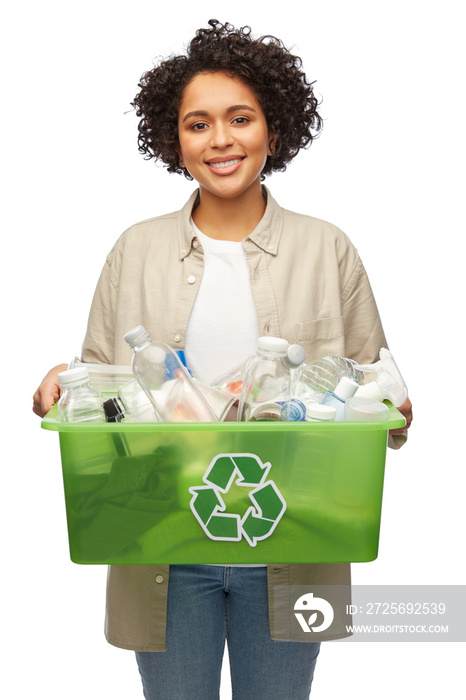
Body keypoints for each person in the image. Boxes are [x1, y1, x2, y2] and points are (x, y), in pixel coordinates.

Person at [33, 19, 412, 700]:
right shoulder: (135, 250)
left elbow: (375, 385)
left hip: (292, 536)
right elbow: (98, 386)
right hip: (164, 543)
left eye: (240, 118)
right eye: (198, 124)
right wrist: (59, 386)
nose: (221, 141)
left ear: (274, 127)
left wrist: (393, 408)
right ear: (174, 139)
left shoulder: (328, 249)